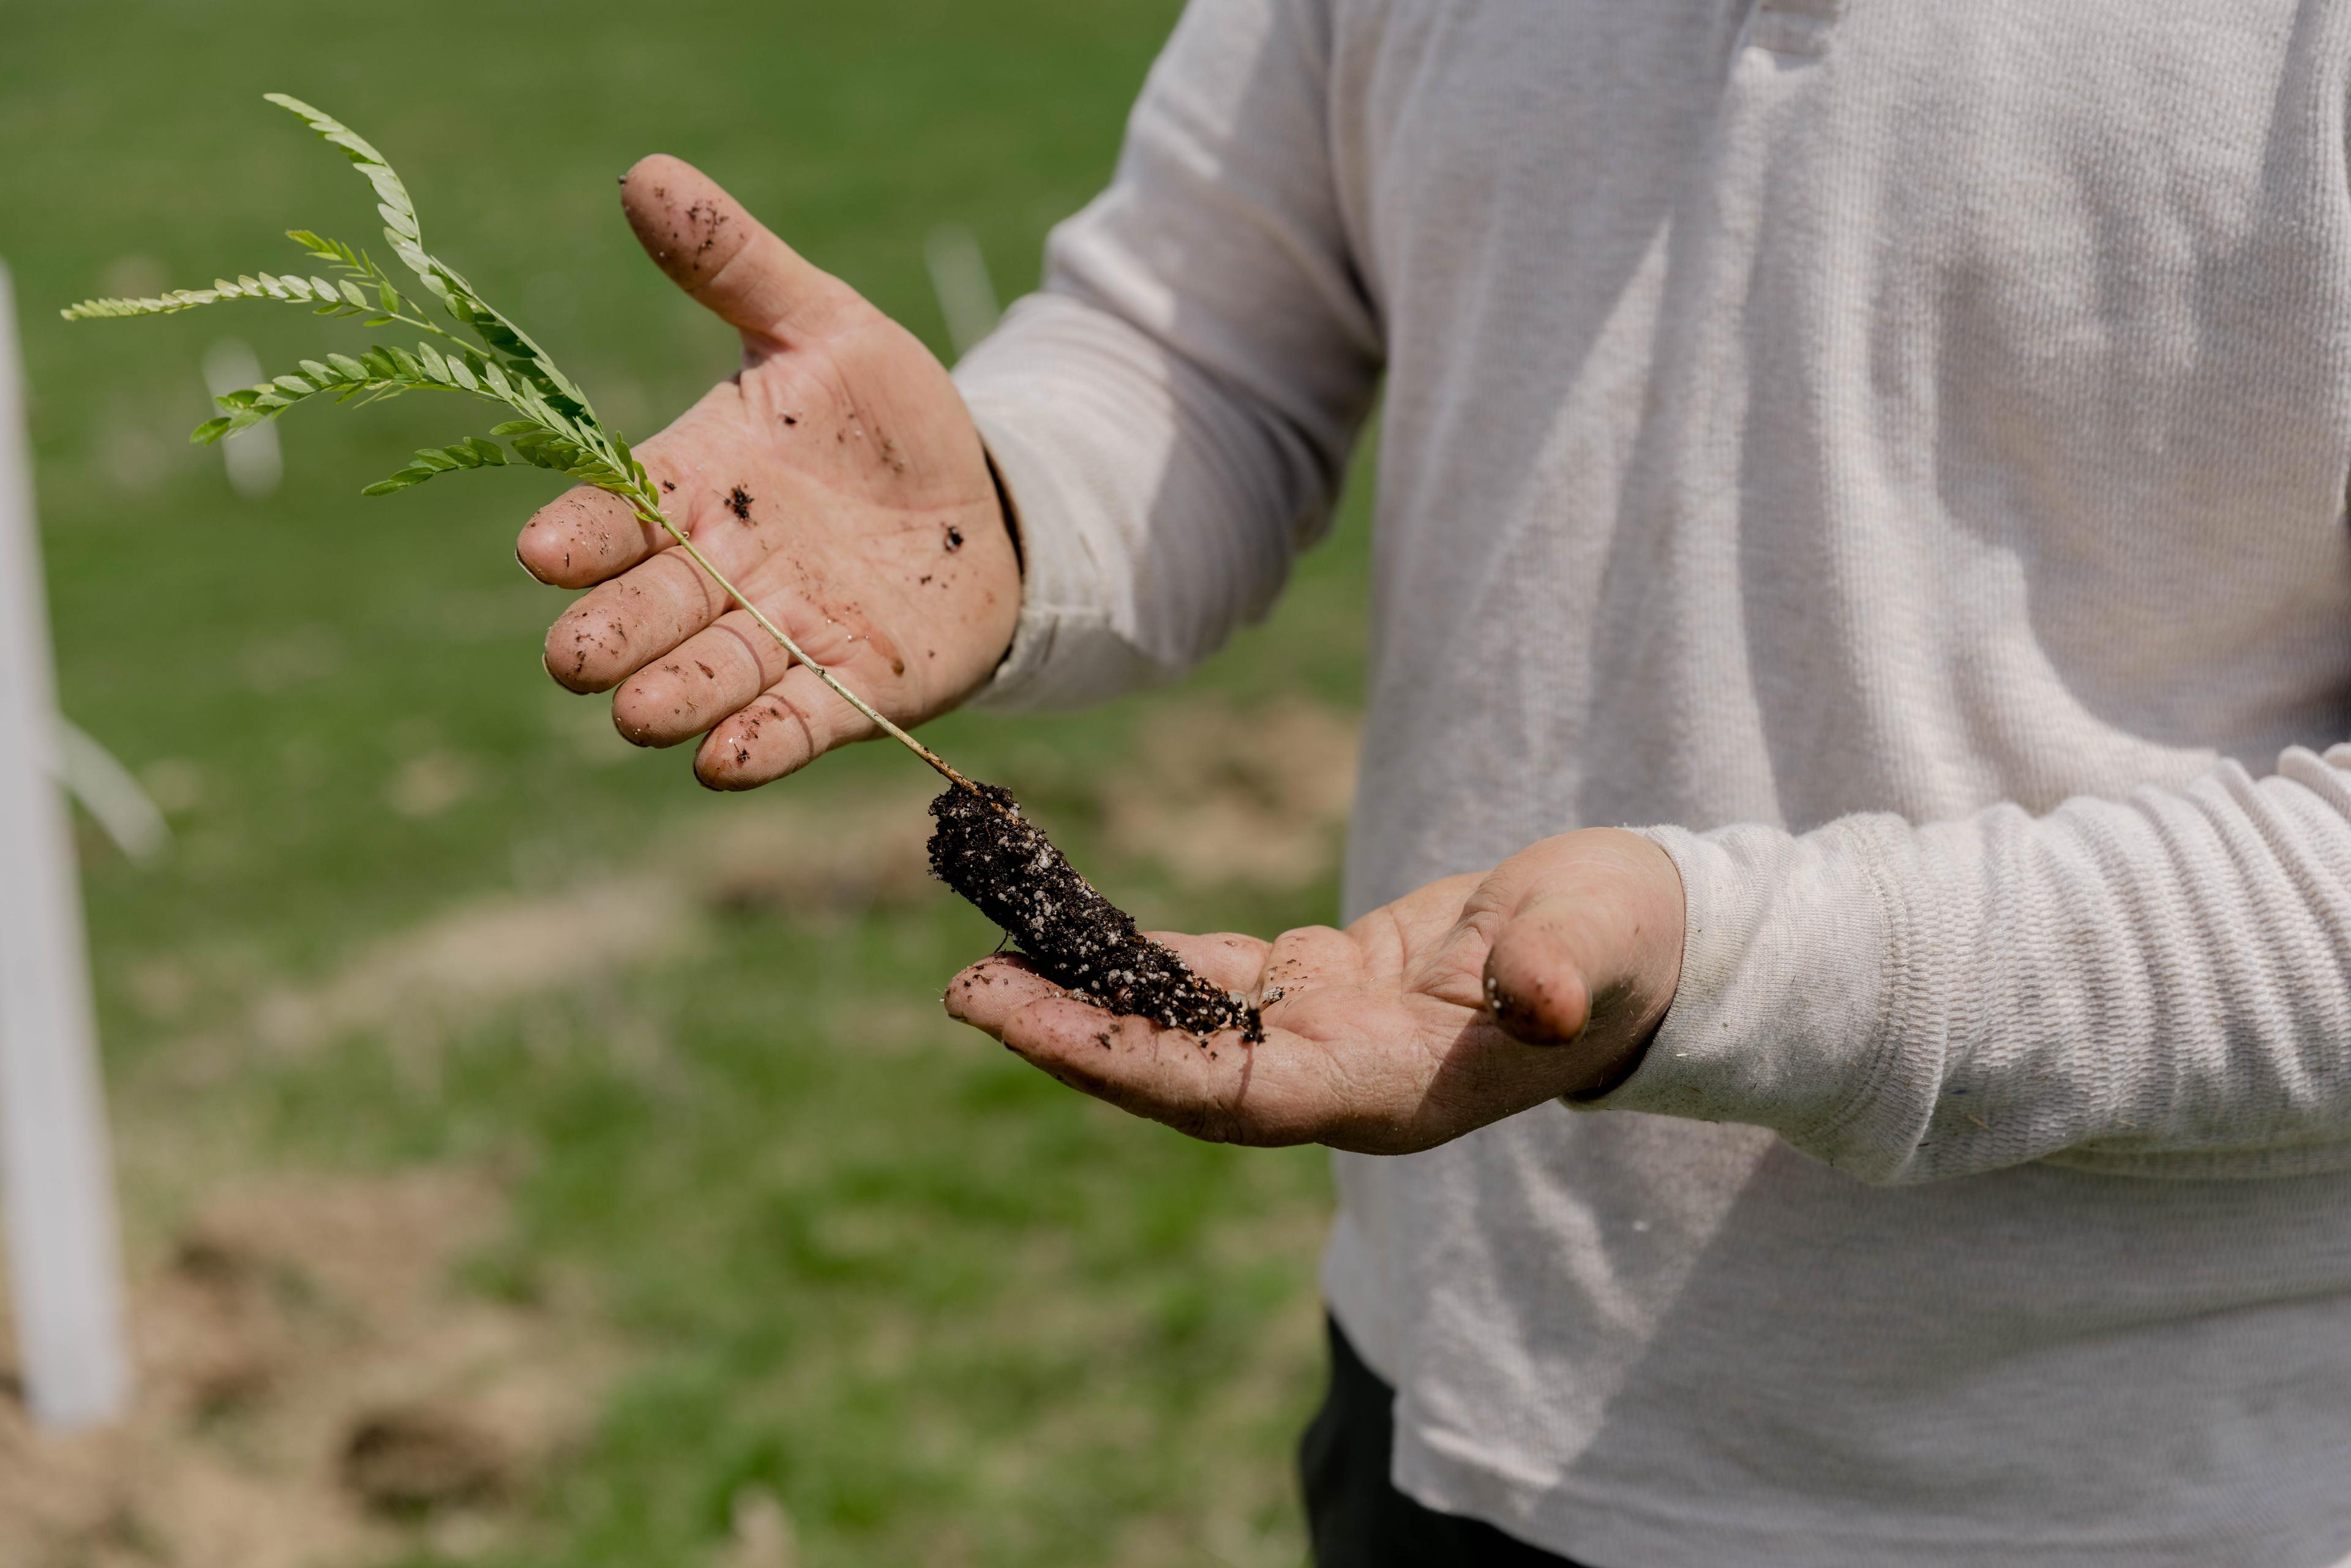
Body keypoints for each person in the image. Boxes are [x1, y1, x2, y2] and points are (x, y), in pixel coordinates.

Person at [514, 2, 2351, 1562]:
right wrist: (997, 508)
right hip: (1453, 1403)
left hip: (2138, 1497)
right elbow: (1199, 332)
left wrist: (1729, 968)